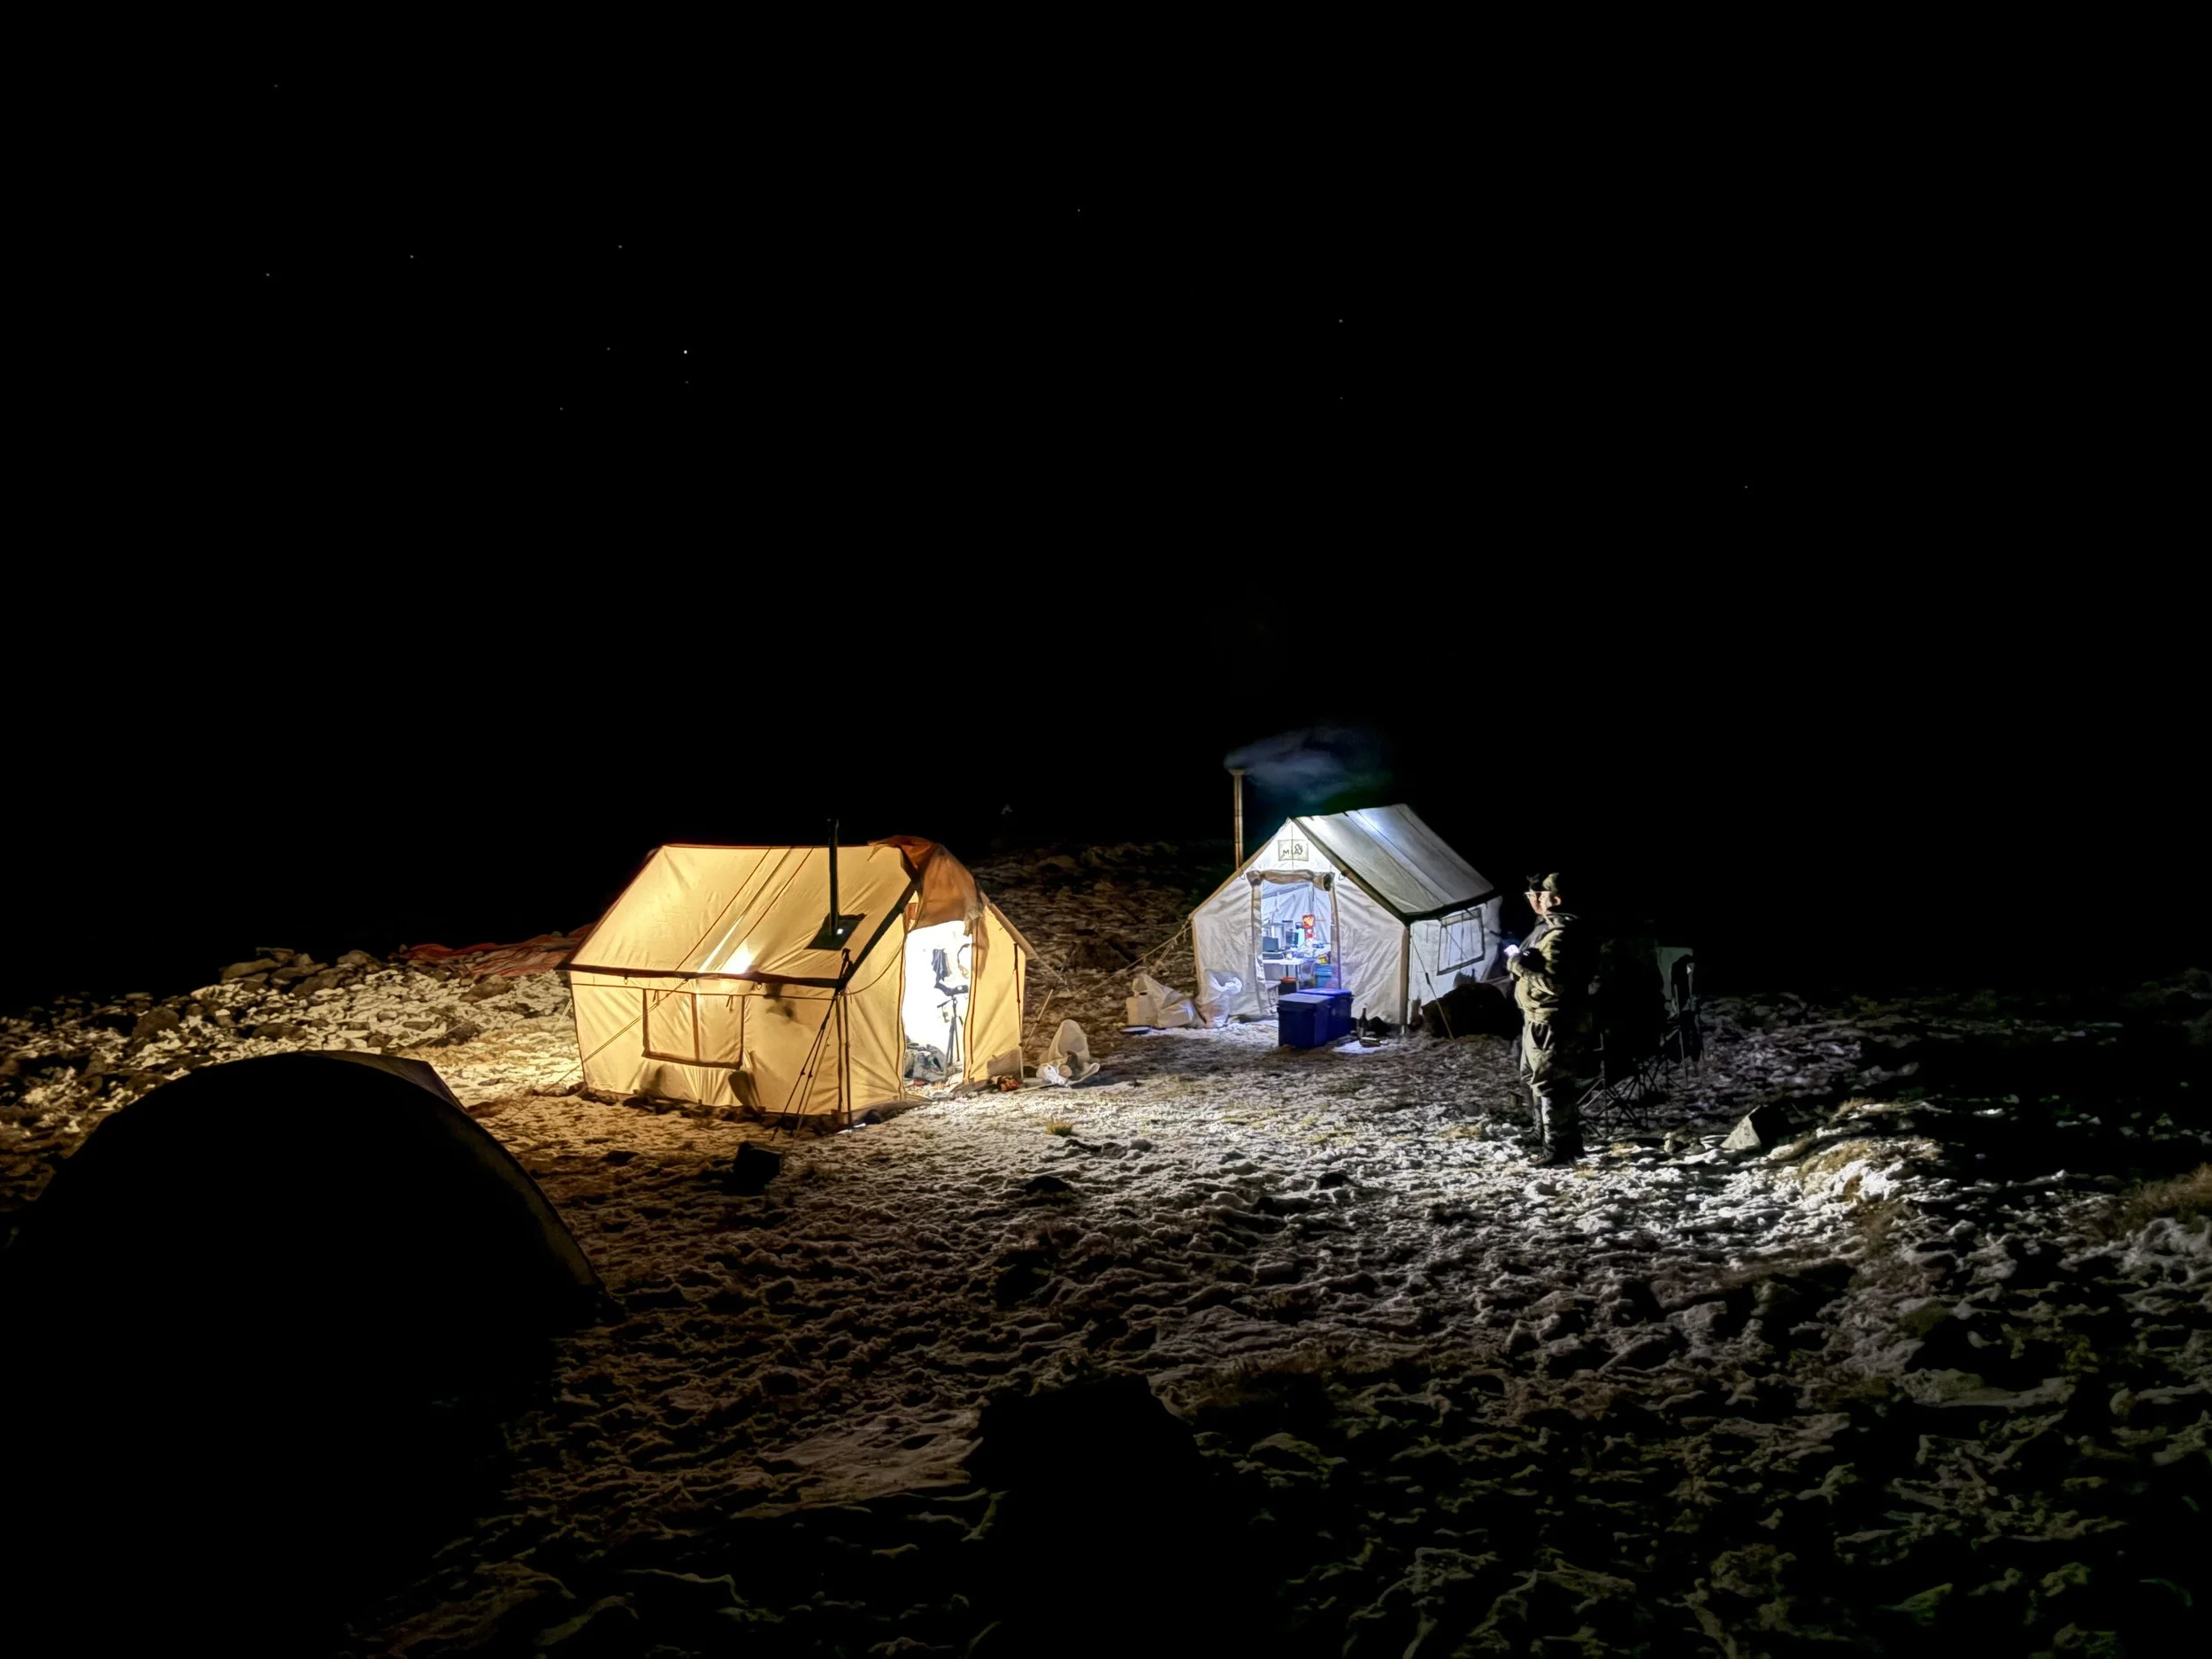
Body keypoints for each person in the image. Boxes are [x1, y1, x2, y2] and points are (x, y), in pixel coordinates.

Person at [1507, 872, 1594, 1165]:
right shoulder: (1552, 930)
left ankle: (1557, 1148)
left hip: (1551, 1020)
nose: (1534, 900)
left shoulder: (1560, 936)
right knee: (1535, 1078)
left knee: (1551, 1084)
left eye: (1539, 895)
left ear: (1554, 900)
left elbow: (1555, 984)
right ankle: (1546, 1136)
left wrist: (1519, 966)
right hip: (1537, 1017)